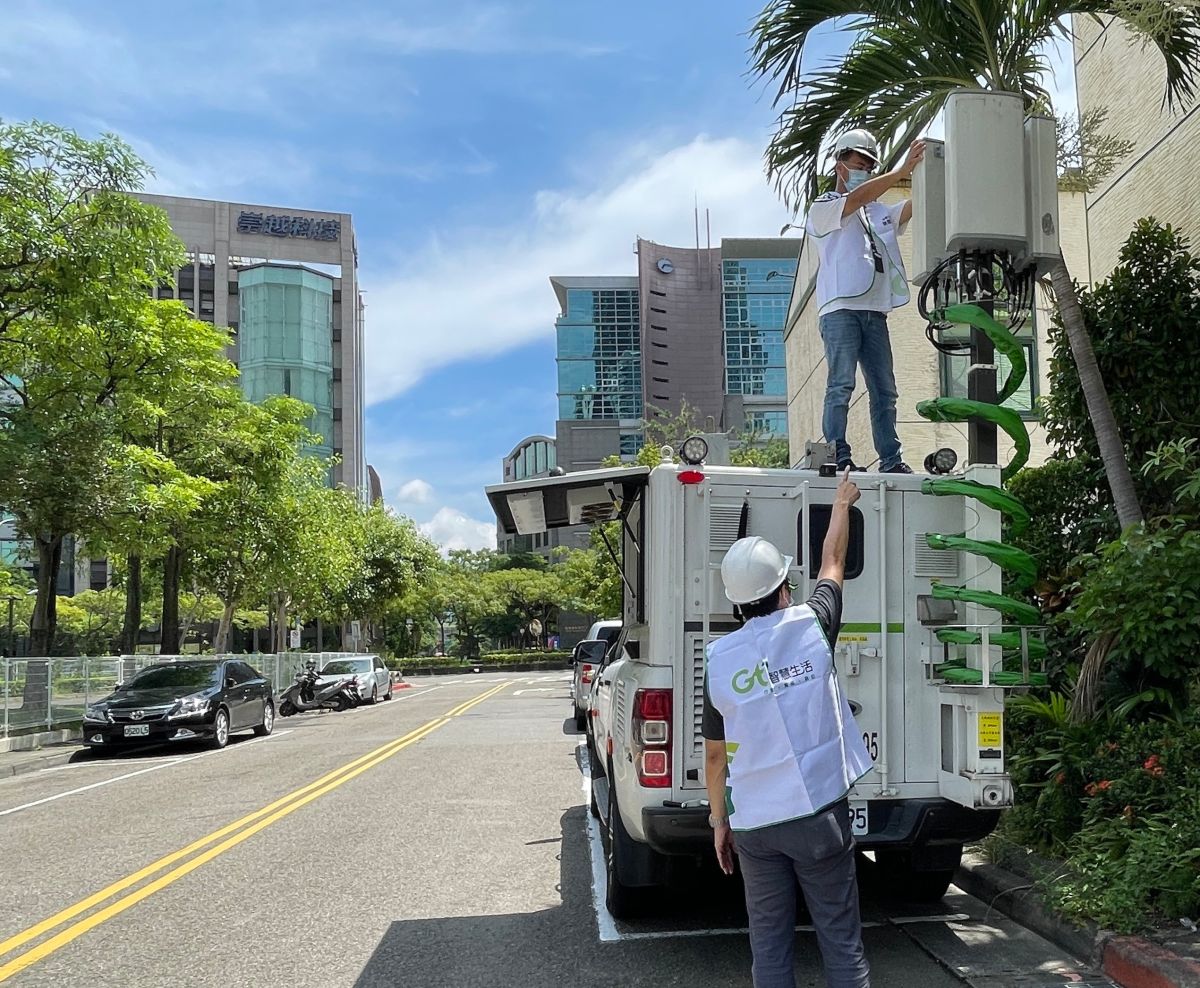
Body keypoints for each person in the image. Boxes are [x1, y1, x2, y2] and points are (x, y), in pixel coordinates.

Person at [702, 468, 872, 988]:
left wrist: (719, 823)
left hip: (755, 823)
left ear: (735, 601)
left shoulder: (718, 659)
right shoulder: (812, 625)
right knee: (840, 939)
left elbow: (714, 757)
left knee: (769, 944)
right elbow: (834, 562)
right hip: (819, 813)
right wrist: (841, 502)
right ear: (783, 586)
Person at [805, 128, 926, 474]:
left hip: (874, 310)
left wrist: (934, 170)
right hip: (840, 309)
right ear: (839, 165)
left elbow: (913, 207)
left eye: (868, 167)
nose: (864, 171)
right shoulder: (825, 206)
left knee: (884, 390)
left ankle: (891, 459)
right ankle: (836, 451)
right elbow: (854, 201)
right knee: (841, 383)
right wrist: (901, 172)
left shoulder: (878, 211)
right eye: (858, 164)